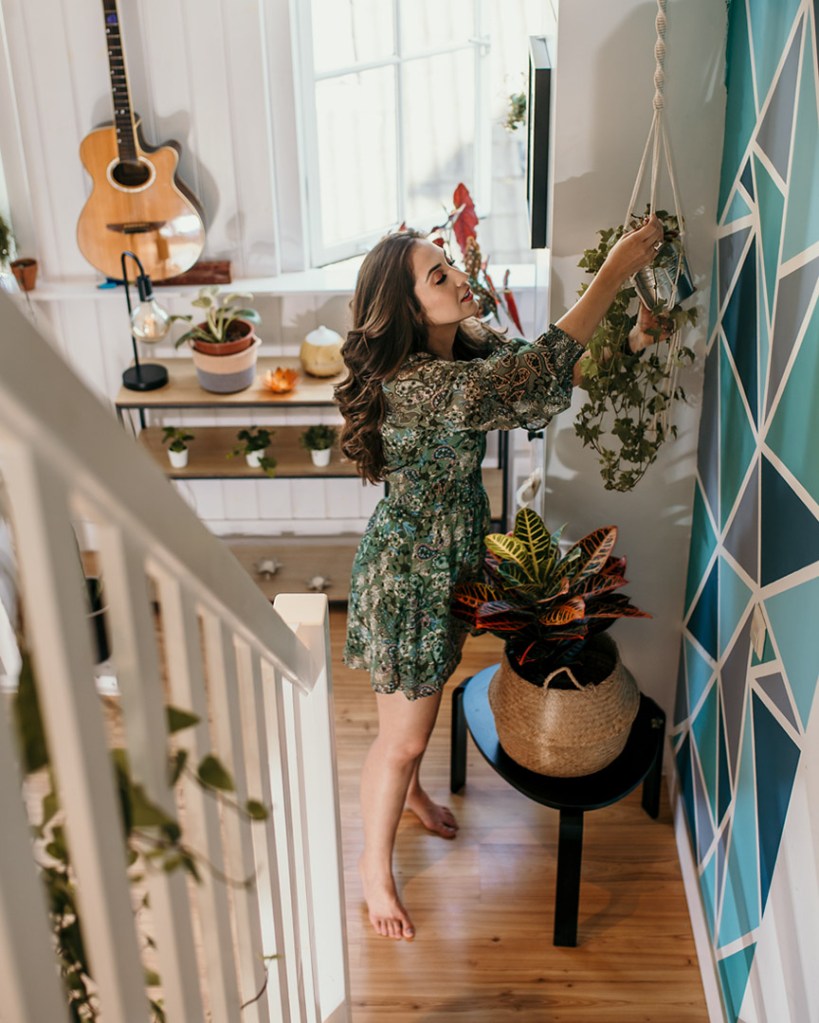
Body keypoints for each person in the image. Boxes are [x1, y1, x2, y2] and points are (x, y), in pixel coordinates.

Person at [334, 214, 665, 941]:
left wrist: (636, 337)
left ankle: (412, 795)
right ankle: (371, 867)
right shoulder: (415, 383)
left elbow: (556, 368)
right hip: (411, 569)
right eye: (437, 275)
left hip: (451, 552)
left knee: (414, 713)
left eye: (448, 264)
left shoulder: (467, 345)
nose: (457, 277)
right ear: (407, 308)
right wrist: (610, 271)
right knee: (403, 736)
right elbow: (530, 373)